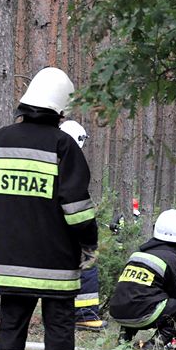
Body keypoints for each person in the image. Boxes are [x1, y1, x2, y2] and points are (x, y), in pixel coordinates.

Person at [0, 67, 98, 350]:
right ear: (59, 109)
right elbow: (77, 209)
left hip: (11, 261)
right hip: (56, 265)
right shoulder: (63, 144)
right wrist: (89, 242)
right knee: (59, 331)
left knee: (11, 327)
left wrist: (5, 226)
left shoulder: (2, 138)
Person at [109, 209, 176, 348]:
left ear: (155, 229)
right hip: (143, 315)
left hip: (118, 313)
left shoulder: (136, 255)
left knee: (135, 300)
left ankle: (123, 340)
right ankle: (159, 344)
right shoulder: (171, 259)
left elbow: (128, 289)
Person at [60, 119, 106, 331]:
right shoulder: (70, 167)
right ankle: (85, 314)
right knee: (87, 260)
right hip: (63, 228)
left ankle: (66, 312)